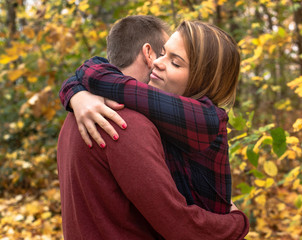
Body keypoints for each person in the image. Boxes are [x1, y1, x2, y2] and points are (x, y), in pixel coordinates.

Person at [57, 15, 249, 239]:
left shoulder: (78, 119)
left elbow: (179, 223)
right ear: (149, 53)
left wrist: (74, 90)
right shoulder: (119, 120)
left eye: (175, 62)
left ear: (201, 79)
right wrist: (238, 223)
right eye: (163, 53)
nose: (159, 62)